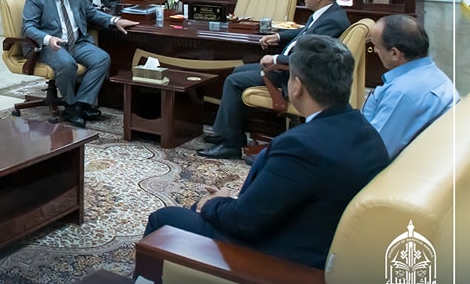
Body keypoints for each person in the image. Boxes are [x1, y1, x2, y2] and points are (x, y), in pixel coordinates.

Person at [143, 34, 389, 269]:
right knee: (201, 208)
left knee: (165, 219)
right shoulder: (366, 131)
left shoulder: (299, 145)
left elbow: (243, 222)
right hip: (318, 239)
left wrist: (215, 203)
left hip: (281, 259)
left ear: (297, 87)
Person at [199, 0, 350, 159]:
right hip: (292, 69)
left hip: (296, 75)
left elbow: (310, 58)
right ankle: (232, 134)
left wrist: (276, 59)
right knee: (239, 71)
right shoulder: (329, 14)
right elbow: (305, 33)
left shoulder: (332, 21)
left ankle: (228, 145)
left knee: (234, 81)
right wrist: (278, 36)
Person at [23, 0, 139, 128]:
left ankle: (81, 104)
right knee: (67, 63)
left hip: (77, 42)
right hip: (50, 45)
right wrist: (48, 38)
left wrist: (115, 20)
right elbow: (28, 27)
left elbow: (91, 13)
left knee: (102, 59)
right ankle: (70, 106)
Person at [363, 15, 456, 159]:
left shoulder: (402, 93)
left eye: (377, 47)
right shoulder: (433, 74)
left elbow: (372, 153)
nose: (375, 51)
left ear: (395, 53)